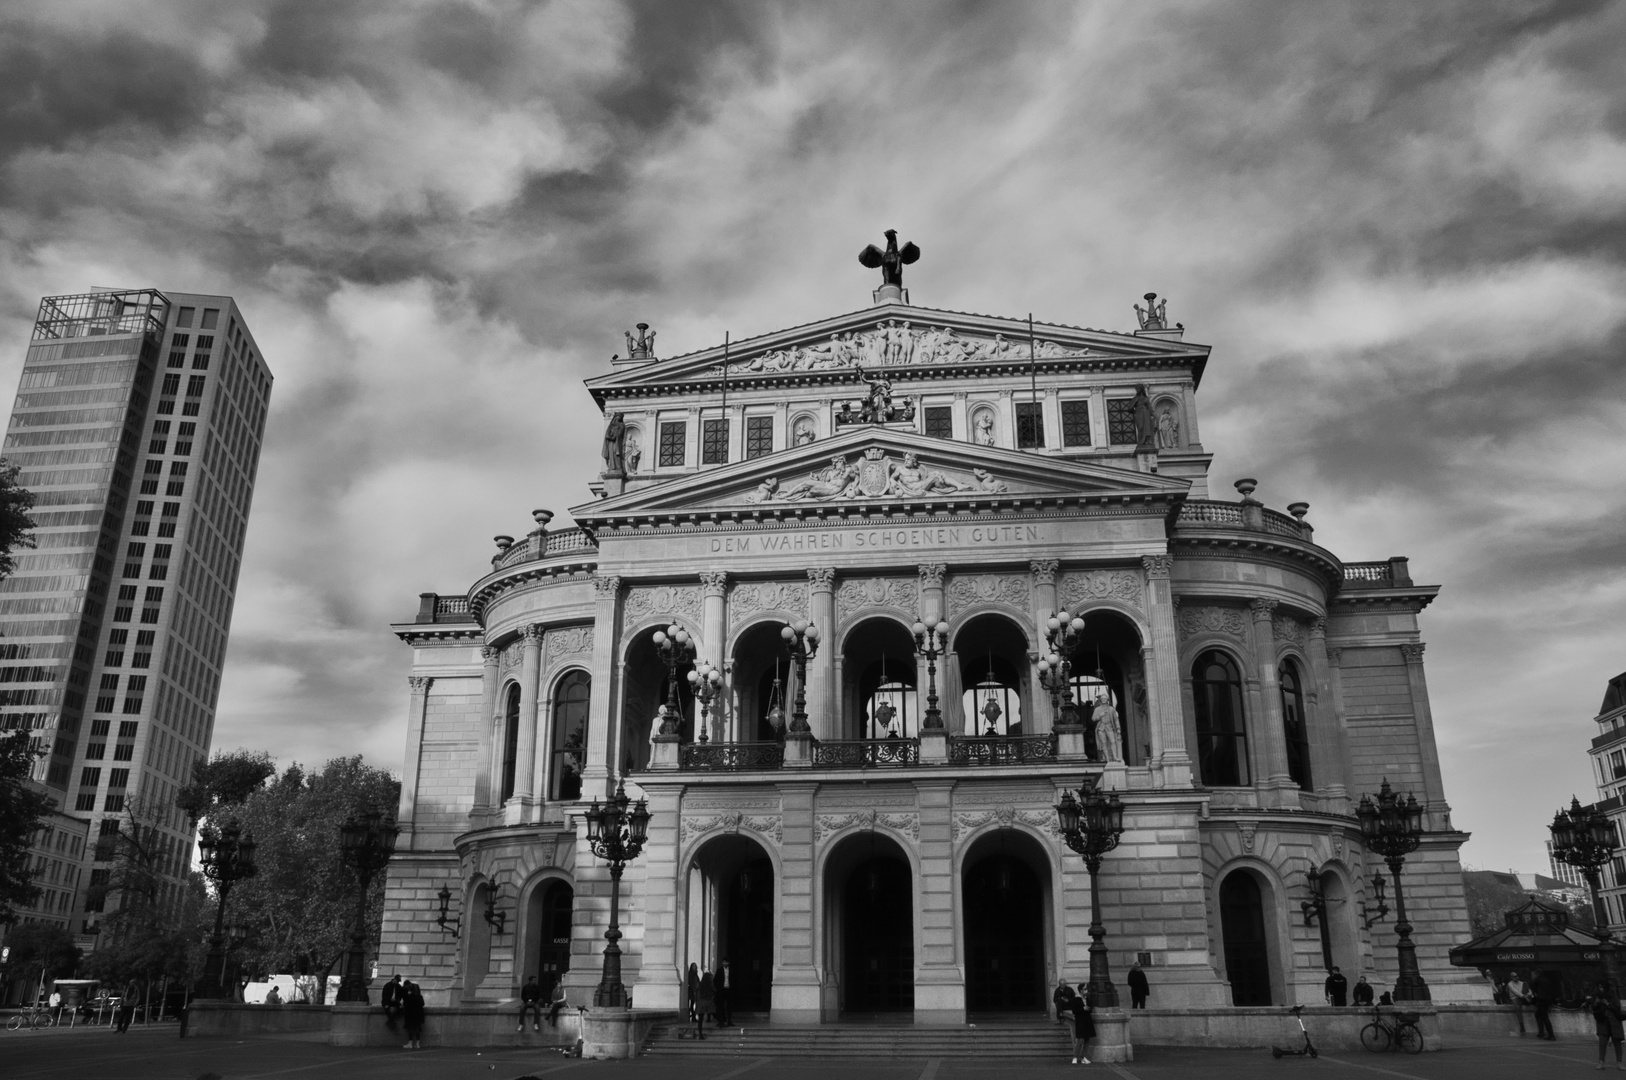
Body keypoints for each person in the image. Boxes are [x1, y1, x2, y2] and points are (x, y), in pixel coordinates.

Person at [1588, 982, 1625, 1070]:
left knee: (1617, 1042)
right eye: (1599, 987)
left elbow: (1617, 1008)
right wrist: (1596, 1003)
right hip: (1602, 1021)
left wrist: (1607, 1003)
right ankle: (1601, 1062)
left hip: (1614, 1021)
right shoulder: (1596, 995)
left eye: (1602, 987)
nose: (1600, 989)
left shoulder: (1612, 995)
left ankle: (1619, 1063)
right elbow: (1593, 1007)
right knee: (1602, 1042)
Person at [1066, 993, 1094, 1065]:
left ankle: (1083, 1057)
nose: (1086, 991)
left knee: (1087, 1039)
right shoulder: (1076, 999)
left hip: (1087, 1020)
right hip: (1080, 1021)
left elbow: (1091, 1008)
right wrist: (1083, 1008)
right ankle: (1075, 1057)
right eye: (1084, 989)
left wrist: (1089, 1008)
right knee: (1080, 1040)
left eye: (1086, 989)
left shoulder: (1087, 998)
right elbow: (1074, 1010)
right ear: (1081, 990)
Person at [402, 979, 425, 1050]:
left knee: (410, 1028)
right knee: (417, 1028)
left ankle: (410, 1043)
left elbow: (406, 1004)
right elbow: (422, 1004)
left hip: (411, 1014)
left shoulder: (410, 996)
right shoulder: (419, 996)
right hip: (418, 1014)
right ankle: (418, 1043)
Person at [1533, 972, 1556, 1041]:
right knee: (1538, 1014)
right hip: (1548, 1000)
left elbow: (1532, 984)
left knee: (1545, 1017)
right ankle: (1541, 1032)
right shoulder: (1547, 980)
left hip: (1542, 1000)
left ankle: (1551, 1035)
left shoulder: (1537, 980)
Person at [696, 968, 716, 1039]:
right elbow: (714, 991)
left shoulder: (700, 984)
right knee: (713, 1013)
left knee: (700, 1020)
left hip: (701, 1003)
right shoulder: (710, 985)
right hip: (708, 1002)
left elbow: (697, 992)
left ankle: (700, 1033)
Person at [716, 960, 732, 1027]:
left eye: (726, 962)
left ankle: (729, 1021)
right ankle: (721, 1021)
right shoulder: (719, 970)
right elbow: (716, 980)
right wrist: (718, 988)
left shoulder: (731, 970)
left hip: (728, 989)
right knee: (721, 1006)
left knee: (729, 1006)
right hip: (721, 990)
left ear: (728, 963)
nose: (725, 963)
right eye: (724, 962)